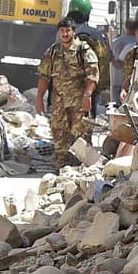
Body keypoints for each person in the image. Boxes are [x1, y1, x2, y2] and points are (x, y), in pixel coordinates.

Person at [35, 17, 98, 169]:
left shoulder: (83, 50)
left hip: (79, 102)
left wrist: (87, 95)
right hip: (59, 102)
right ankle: (62, 164)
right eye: (62, 31)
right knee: (59, 133)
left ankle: (84, 166)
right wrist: (39, 98)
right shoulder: (53, 52)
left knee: (82, 134)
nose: (64, 34)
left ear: (73, 32)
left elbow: (93, 75)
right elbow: (44, 76)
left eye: (67, 31)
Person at [64, 0, 110, 115]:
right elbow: (104, 58)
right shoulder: (95, 35)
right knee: (87, 120)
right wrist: (101, 85)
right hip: (89, 86)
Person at [109, 19, 138, 106]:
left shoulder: (116, 41)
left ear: (125, 27)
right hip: (134, 82)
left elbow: (118, 63)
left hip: (118, 80)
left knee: (117, 107)